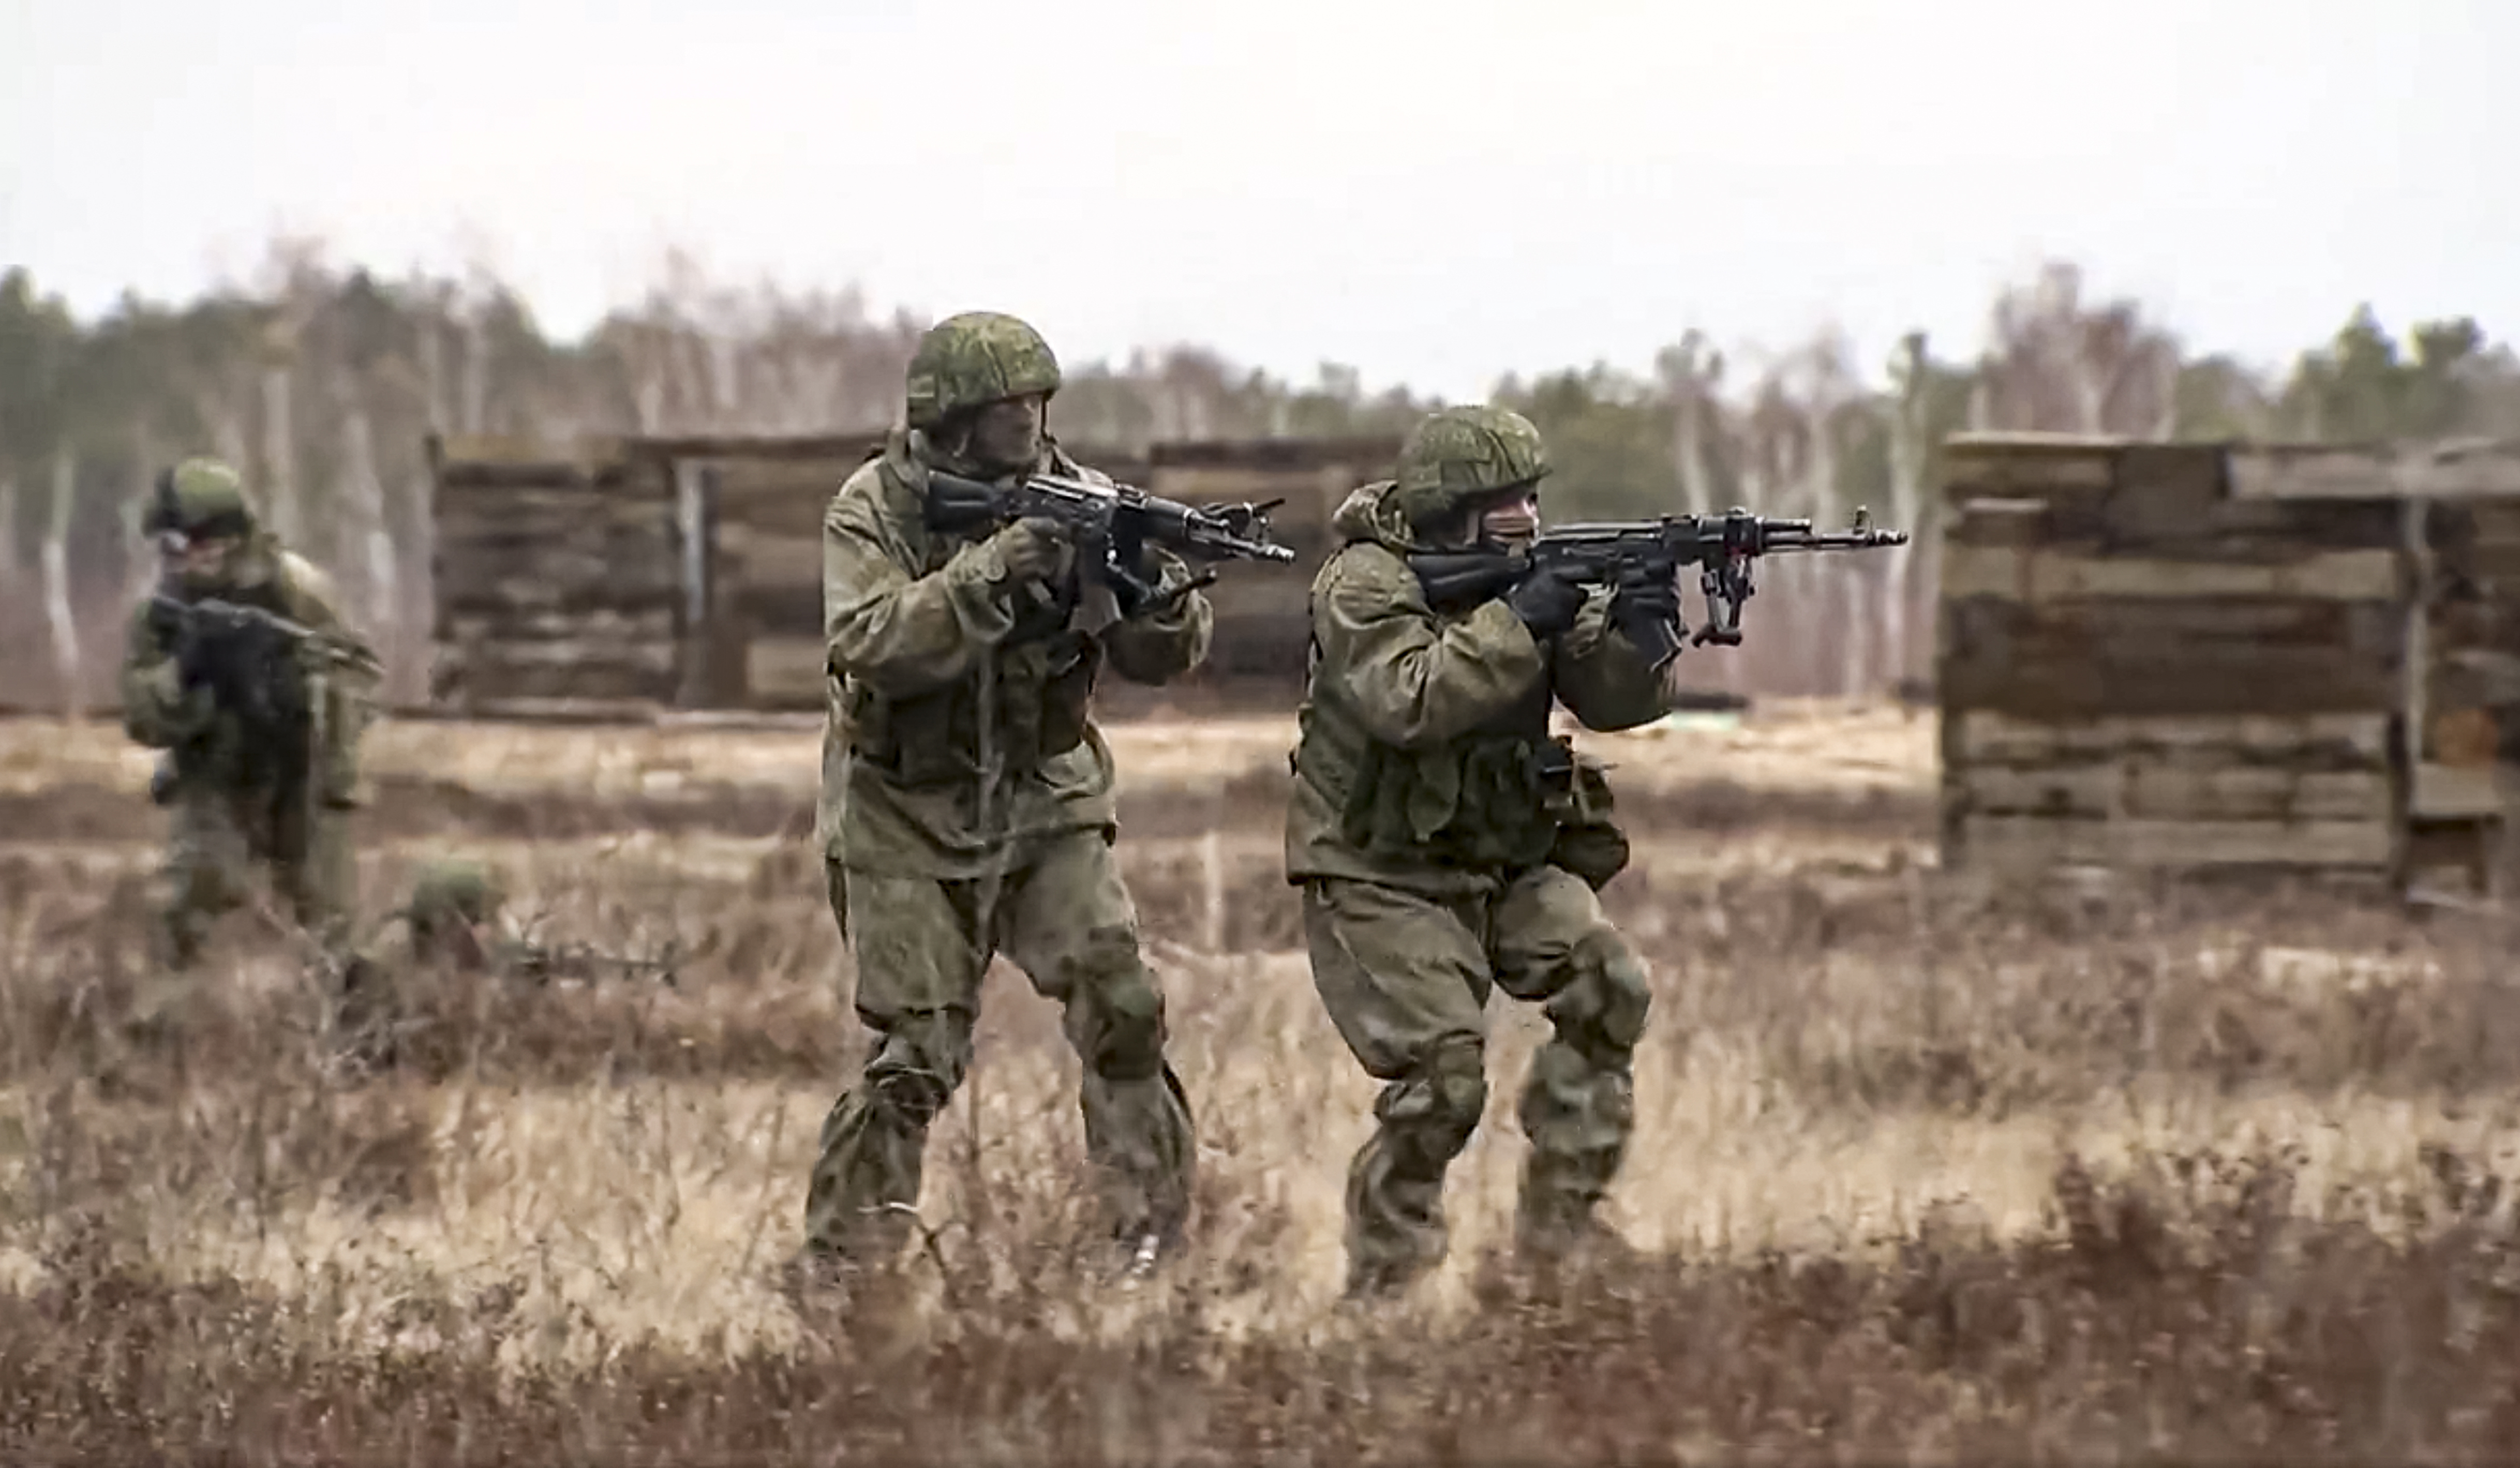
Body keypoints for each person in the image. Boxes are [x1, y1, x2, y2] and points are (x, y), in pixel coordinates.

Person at [797, 310, 1210, 1285]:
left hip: (1042, 798)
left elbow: (1165, 659)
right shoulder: (877, 508)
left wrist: (1148, 586)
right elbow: (875, 642)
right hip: (901, 810)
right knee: (917, 1053)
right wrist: (1003, 562)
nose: (1027, 420)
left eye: (1037, 400)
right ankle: (846, 1268)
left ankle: (1146, 1239)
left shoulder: (1082, 498)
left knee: (1122, 1002)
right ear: (950, 418)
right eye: (1004, 405)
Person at [1284, 403, 1683, 1300]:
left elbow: (1611, 698)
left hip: (1504, 858)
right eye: (1505, 501)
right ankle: (1389, 1283)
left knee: (1609, 983)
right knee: (1445, 1074)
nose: (1527, 518)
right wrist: (1519, 616)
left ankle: (1560, 1235)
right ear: (1449, 510)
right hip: (1379, 869)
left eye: (1533, 498)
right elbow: (1408, 697)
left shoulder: (1527, 578)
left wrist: (1643, 635)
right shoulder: (1361, 583)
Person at [118, 457, 381, 982]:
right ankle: (157, 1036)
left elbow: (361, 678)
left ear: (231, 538)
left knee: (332, 924)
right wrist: (187, 673)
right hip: (213, 770)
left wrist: (295, 687)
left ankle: (362, 1045)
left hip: (302, 769)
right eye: (172, 548)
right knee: (186, 904)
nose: (184, 561)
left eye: (197, 545)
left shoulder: (297, 589)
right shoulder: (161, 617)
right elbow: (144, 720)